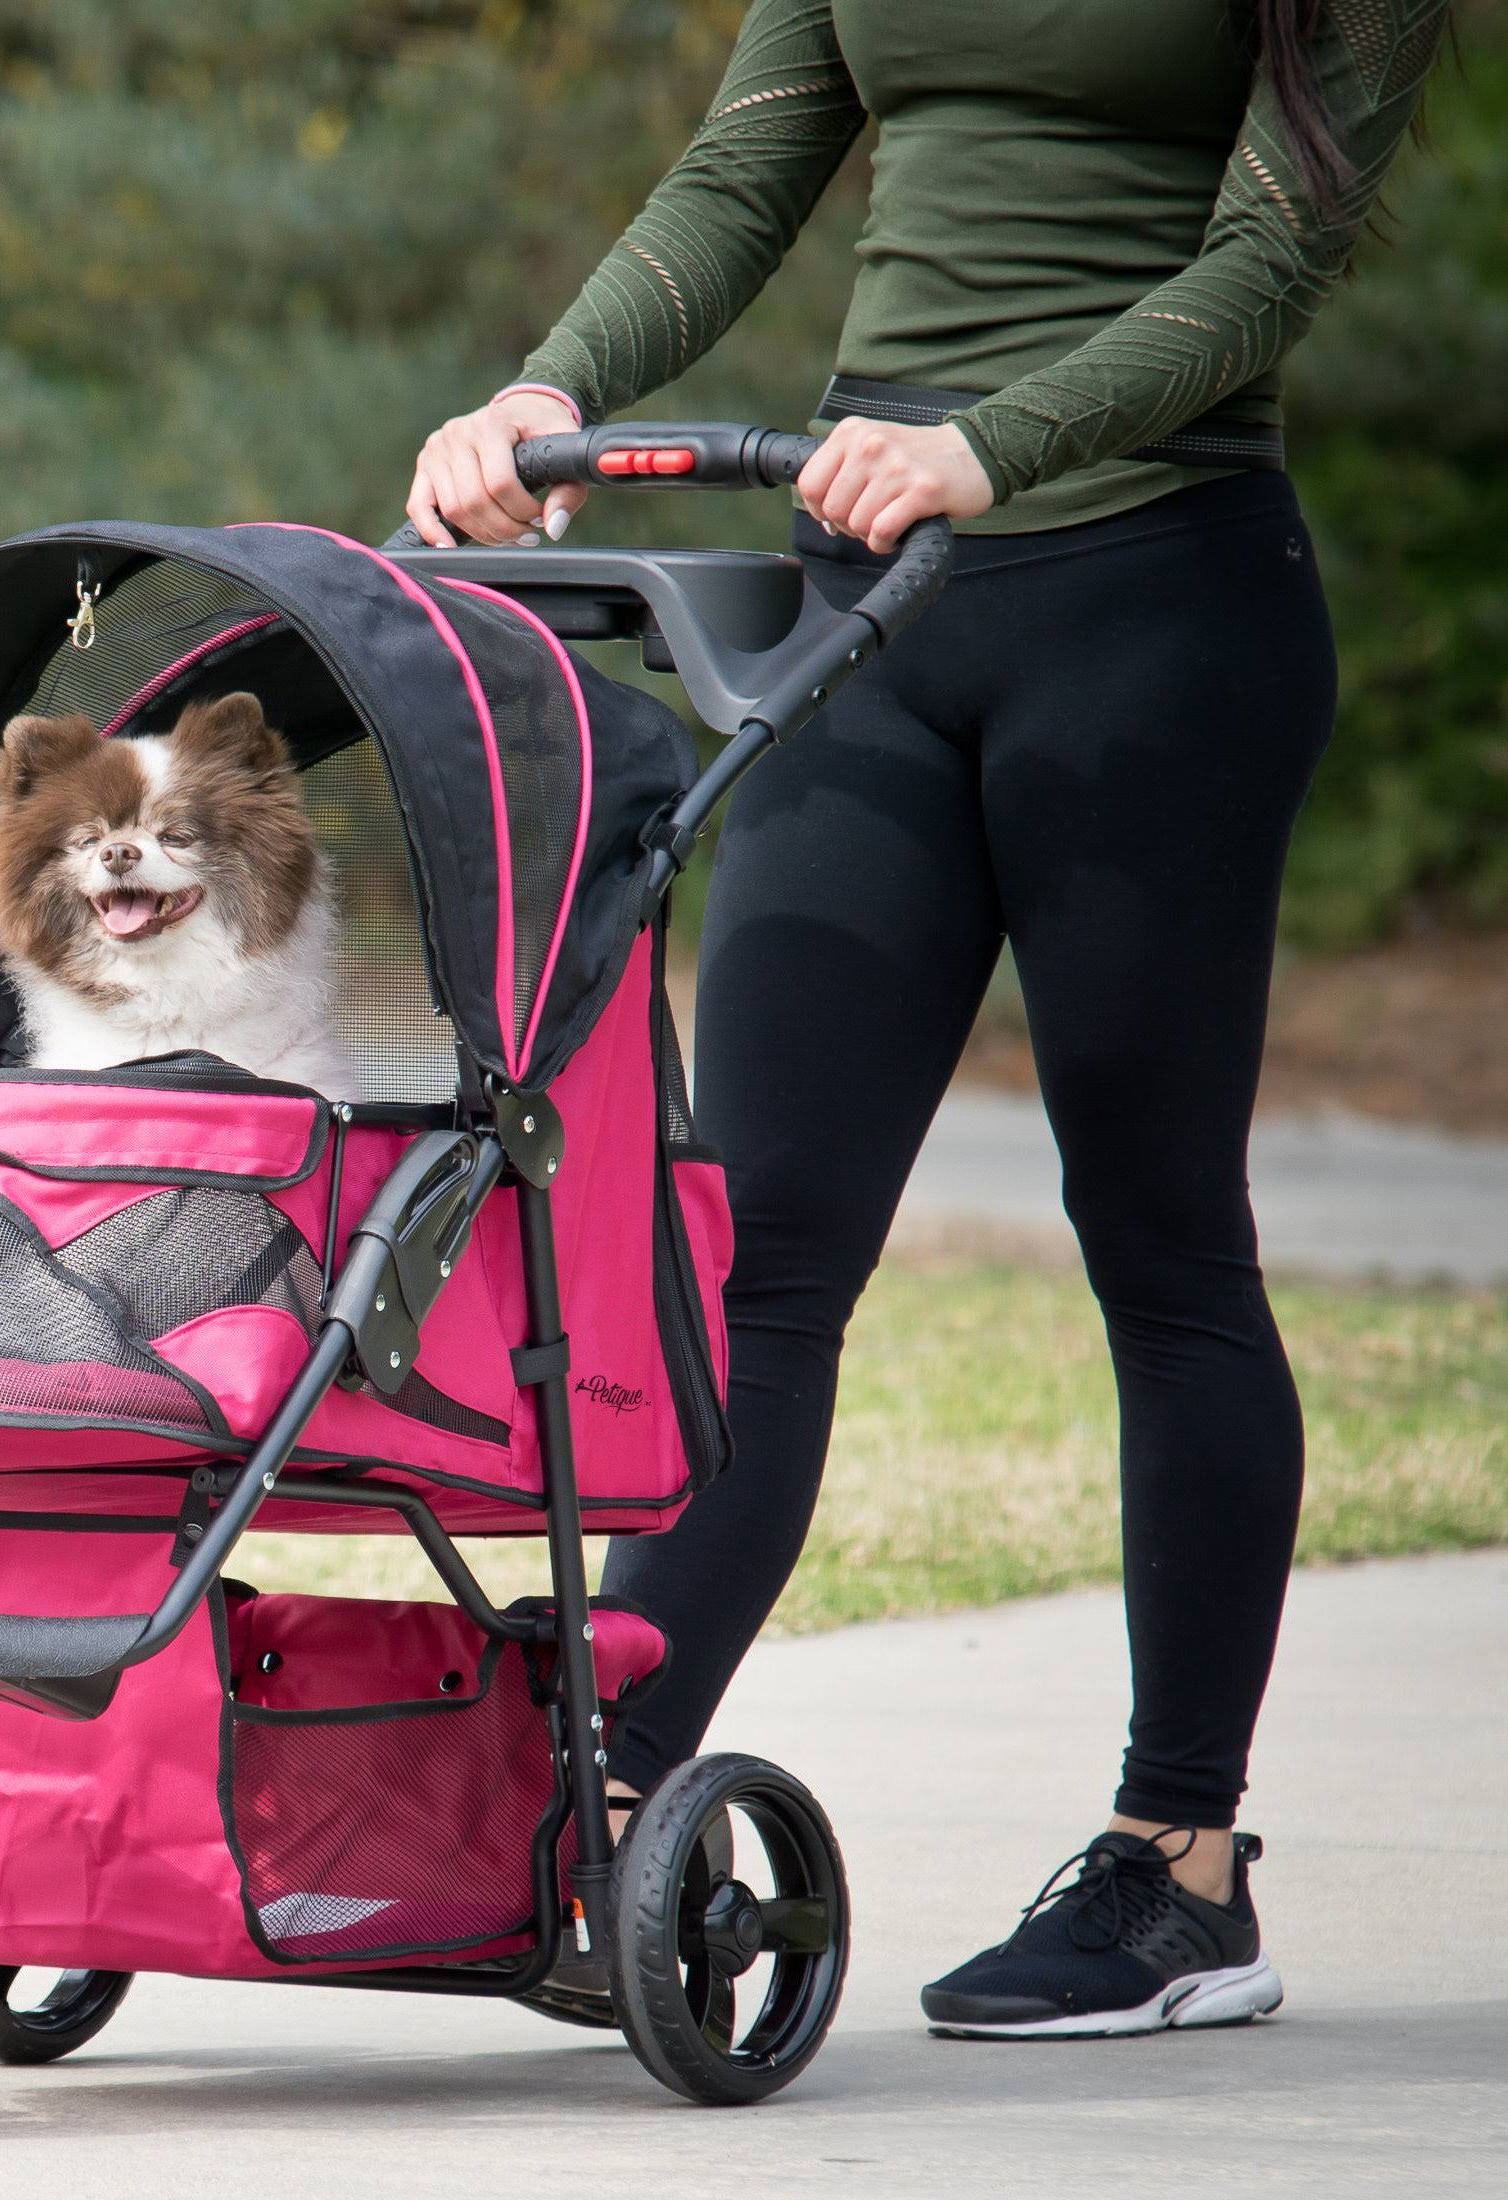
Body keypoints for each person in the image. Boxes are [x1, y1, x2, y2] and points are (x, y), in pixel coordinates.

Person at [407, 0, 1446, 2038]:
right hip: (865, 590)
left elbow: (1269, 260)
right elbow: (736, 174)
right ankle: (594, 1795)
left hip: (1149, 592)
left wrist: (994, 438)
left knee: (1158, 1237)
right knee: (755, 1249)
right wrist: (552, 380)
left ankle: (1177, 1865)